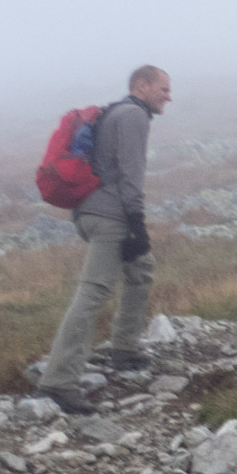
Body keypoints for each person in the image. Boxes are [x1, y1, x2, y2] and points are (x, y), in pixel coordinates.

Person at [36, 65, 173, 415]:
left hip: (91, 212)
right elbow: (131, 173)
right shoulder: (133, 117)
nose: (168, 96)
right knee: (94, 292)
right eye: (162, 88)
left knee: (140, 270)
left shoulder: (114, 111)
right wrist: (137, 223)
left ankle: (124, 348)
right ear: (141, 86)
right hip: (110, 217)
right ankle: (59, 381)